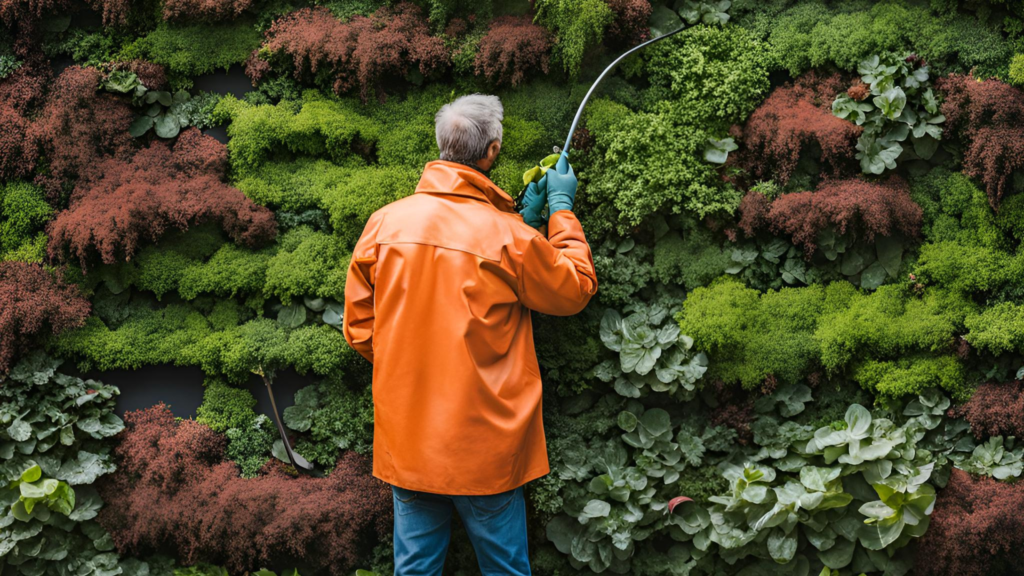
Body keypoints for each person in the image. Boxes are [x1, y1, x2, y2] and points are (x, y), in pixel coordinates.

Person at [342, 93, 597, 575]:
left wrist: (412, 367)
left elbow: (359, 331)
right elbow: (574, 289)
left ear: (441, 146)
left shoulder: (385, 224)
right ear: (493, 151)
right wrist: (560, 210)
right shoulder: (508, 238)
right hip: (486, 446)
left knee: (414, 570)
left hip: (410, 439)